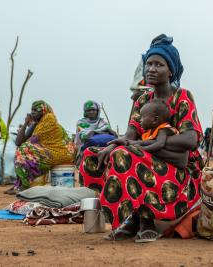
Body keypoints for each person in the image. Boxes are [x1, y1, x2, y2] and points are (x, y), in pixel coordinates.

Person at [79, 34, 203, 243]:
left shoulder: (182, 97)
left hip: (181, 173)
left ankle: (145, 220)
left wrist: (143, 145)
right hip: (150, 158)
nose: (151, 69)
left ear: (171, 70)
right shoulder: (143, 99)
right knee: (92, 155)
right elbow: (130, 134)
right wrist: (113, 144)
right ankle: (134, 218)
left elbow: (190, 140)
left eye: (159, 65)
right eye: (149, 64)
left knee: (125, 155)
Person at [5, 100, 74, 194]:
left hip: (61, 152)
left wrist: (27, 134)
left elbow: (32, 141)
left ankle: (25, 185)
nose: (33, 112)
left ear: (44, 111)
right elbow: (18, 142)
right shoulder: (37, 124)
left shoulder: (49, 118)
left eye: (36, 110)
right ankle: (20, 184)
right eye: (32, 110)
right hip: (50, 151)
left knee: (25, 150)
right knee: (22, 149)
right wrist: (26, 123)